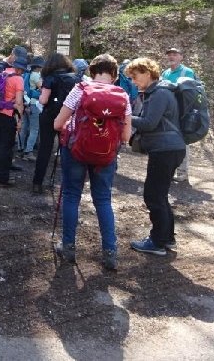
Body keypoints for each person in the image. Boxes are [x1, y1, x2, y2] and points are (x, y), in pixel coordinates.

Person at [53, 54, 132, 270]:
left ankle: (68, 247)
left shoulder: (80, 90)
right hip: (106, 155)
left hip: (76, 151)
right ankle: (109, 252)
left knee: (71, 195)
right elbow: (126, 136)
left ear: (91, 72)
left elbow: (58, 124)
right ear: (115, 75)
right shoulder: (122, 96)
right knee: (103, 200)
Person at [125, 57, 186, 256]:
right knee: (160, 194)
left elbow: (149, 123)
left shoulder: (159, 93)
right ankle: (166, 238)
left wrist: (124, 116)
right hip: (169, 148)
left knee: (153, 195)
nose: (133, 81)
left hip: (165, 150)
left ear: (147, 73)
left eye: (135, 76)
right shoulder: (159, 92)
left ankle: (157, 242)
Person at [31, 53, 78, 193]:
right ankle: (67, 185)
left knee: (45, 149)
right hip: (68, 117)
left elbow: (43, 100)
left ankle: (37, 183)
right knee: (67, 149)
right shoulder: (75, 79)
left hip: (49, 116)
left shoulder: (50, 78)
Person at [0, 57, 25, 187]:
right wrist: (20, 120)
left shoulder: (1, 73)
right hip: (7, 116)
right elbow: (19, 102)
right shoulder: (18, 79)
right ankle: (2, 179)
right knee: (6, 147)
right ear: (19, 69)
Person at [161, 47, 195, 183]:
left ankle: (182, 172)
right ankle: (170, 169)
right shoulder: (165, 73)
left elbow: (190, 92)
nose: (171, 57)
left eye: (175, 54)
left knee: (182, 142)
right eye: (169, 54)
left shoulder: (187, 72)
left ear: (181, 57)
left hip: (182, 112)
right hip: (168, 113)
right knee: (168, 141)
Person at [18, 56, 44, 161]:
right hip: (34, 104)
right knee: (34, 129)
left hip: (25, 103)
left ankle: (20, 148)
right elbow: (42, 89)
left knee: (24, 126)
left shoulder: (26, 74)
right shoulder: (36, 76)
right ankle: (28, 151)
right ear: (39, 67)